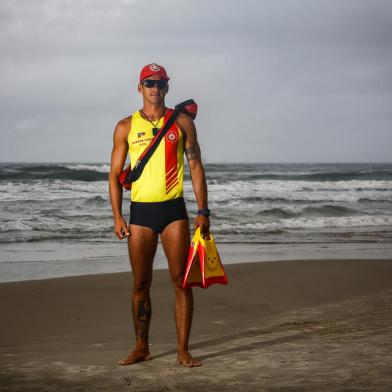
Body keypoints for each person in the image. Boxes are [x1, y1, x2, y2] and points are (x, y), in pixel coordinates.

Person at [108, 63, 210, 368]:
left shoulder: (182, 123)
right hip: (140, 214)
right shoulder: (125, 126)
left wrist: (203, 211)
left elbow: (195, 167)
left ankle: (183, 350)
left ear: (167, 87)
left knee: (181, 282)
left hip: (173, 211)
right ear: (140, 88)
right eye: (150, 83)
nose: (156, 89)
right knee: (141, 283)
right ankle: (142, 347)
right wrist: (116, 216)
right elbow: (114, 175)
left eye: (161, 83)